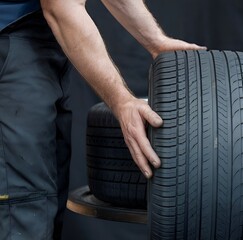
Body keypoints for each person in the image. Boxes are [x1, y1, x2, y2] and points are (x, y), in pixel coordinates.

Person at [0, 0, 205, 239]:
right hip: (10, 39)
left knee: (45, 200)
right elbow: (61, 7)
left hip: (37, 42)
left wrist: (155, 41)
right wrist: (122, 101)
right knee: (22, 209)